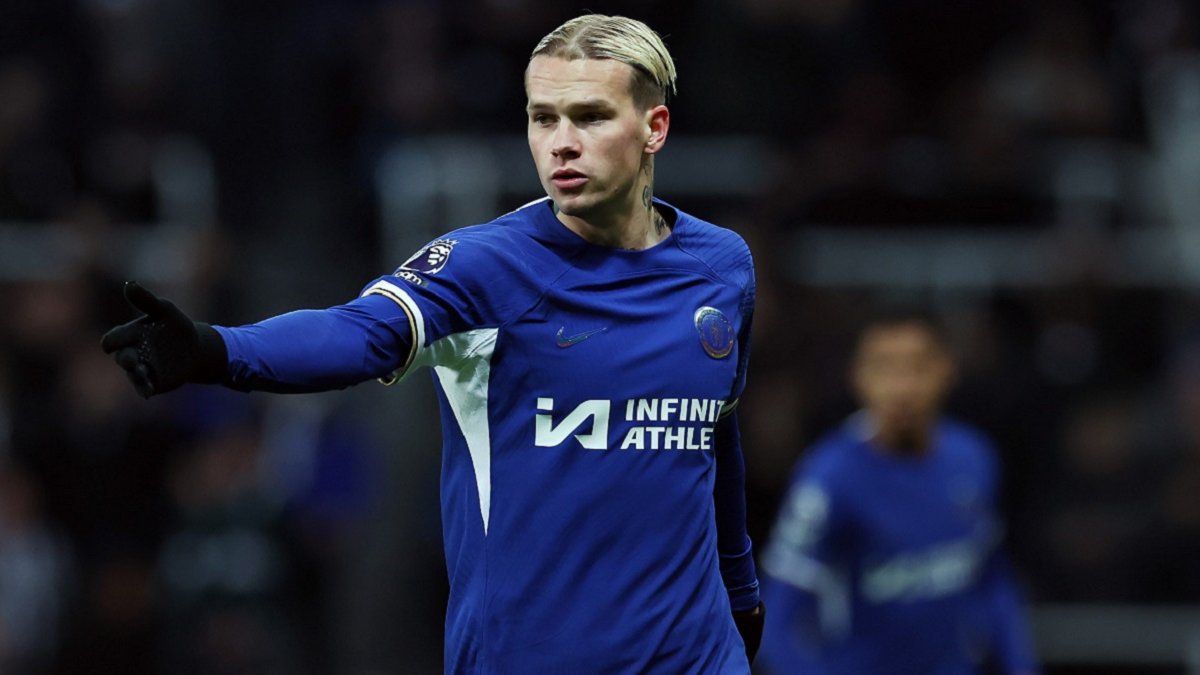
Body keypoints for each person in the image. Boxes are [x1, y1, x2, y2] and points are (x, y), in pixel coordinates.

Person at [101, 14, 765, 674]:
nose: (561, 143)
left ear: (654, 127)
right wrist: (217, 349)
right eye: (543, 118)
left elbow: (713, 440)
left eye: (590, 117)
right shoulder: (487, 267)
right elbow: (358, 332)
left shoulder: (722, 267)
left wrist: (740, 591)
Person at [757, 308, 1037, 675]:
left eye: (918, 367)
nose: (902, 387)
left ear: (947, 369)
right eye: (884, 368)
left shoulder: (973, 458)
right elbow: (778, 617)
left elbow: (992, 578)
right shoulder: (828, 477)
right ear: (857, 376)